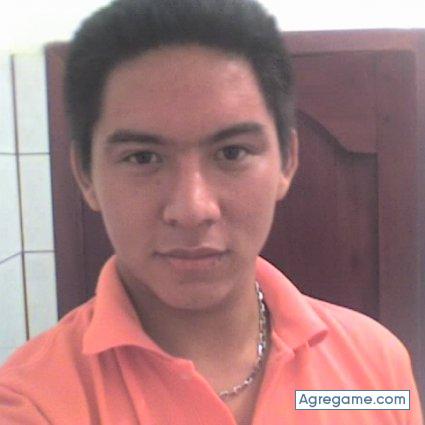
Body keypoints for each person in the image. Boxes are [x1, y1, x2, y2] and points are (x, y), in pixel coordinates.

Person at [0, 0, 422, 423]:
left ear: (287, 161)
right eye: (143, 157)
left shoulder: (374, 366)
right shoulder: (32, 402)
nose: (192, 209)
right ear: (86, 176)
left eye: (232, 152)